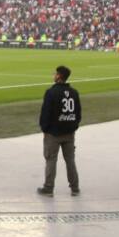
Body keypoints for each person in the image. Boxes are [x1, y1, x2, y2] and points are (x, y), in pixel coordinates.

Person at [36, 65, 82, 196]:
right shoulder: (74, 92)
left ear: (59, 76)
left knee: (51, 160)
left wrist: (44, 129)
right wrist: (73, 126)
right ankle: (75, 188)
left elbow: (45, 113)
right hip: (69, 133)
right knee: (70, 160)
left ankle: (48, 188)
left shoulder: (51, 92)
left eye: (55, 74)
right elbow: (78, 114)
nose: (54, 75)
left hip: (53, 133)